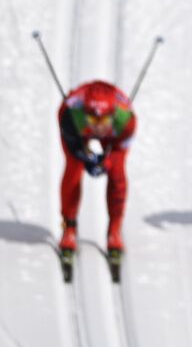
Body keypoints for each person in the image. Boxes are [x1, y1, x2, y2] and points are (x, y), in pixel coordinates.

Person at [57, 81, 136, 258]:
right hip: (79, 130)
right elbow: (74, 149)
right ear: (85, 115)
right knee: (74, 168)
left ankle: (114, 230)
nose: (98, 127)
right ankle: (69, 227)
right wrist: (85, 156)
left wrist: (106, 163)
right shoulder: (69, 115)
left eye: (103, 121)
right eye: (93, 120)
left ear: (113, 115)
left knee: (117, 173)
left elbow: (117, 156)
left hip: (113, 134)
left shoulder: (126, 120)